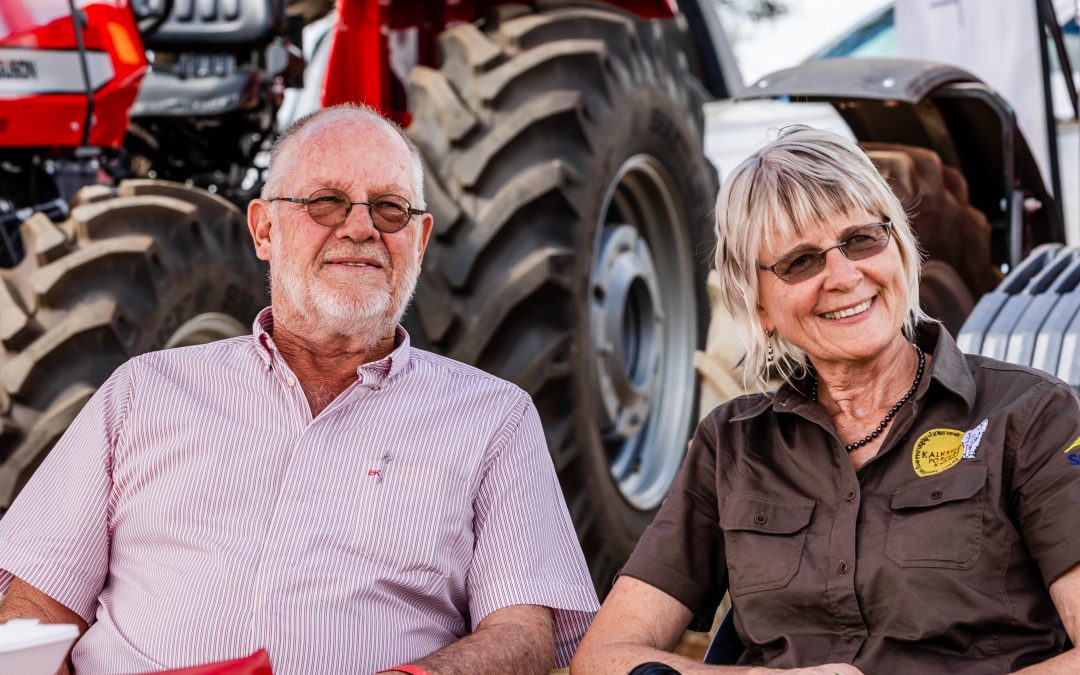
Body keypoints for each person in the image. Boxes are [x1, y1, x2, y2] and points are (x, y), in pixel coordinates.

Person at [0, 104, 599, 675]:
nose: (361, 227)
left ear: (418, 241)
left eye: (391, 209)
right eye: (326, 203)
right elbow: (39, 605)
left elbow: (524, 634)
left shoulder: (493, 418)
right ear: (263, 229)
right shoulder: (143, 394)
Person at [571, 126, 1080, 674]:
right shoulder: (732, 445)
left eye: (862, 239)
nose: (843, 276)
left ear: (900, 247)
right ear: (759, 305)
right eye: (800, 262)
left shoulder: (1033, 415)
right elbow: (602, 658)